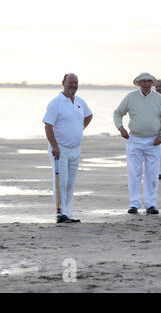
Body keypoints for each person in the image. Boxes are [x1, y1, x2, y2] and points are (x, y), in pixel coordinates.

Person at [113, 72, 161, 215]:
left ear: (152, 83)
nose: (146, 84)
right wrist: (121, 128)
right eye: (143, 81)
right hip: (135, 140)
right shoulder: (130, 97)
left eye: (148, 82)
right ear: (138, 83)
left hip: (154, 141)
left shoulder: (158, 98)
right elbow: (117, 113)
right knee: (134, 173)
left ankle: (151, 205)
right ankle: (134, 204)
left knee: (152, 174)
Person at [43, 73, 93, 223]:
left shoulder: (80, 102)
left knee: (71, 183)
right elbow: (48, 125)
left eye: (76, 82)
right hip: (60, 149)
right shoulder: (55, 103)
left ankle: (69, 213)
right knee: (61, 181)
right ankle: (61, 214)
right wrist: (54, 145)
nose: (73, 85)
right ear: (63, 83)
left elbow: (89, 116)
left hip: (75, 149)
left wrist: (79, 129)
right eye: (70, 82)